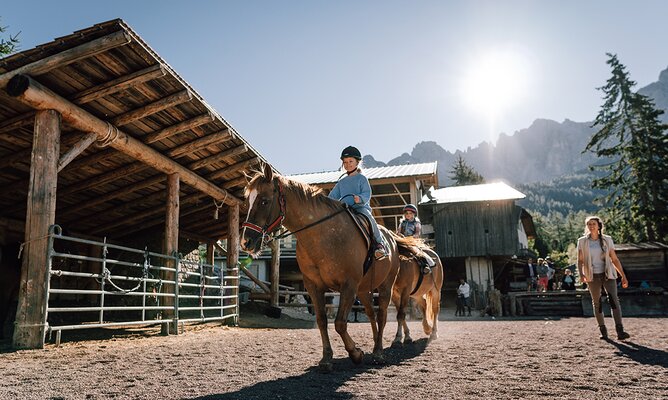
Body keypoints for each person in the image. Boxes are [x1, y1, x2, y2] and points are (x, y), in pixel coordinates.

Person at [328, 146, 387, 260]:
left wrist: (359, 198)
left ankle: (380, 244)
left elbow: (367, 193)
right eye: (345, 162)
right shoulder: (342, 182)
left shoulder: (362, 178)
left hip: (360, 208)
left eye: (350, 161)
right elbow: (332, 196)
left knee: (369, 218)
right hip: (345, 209)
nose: (348, 164)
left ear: (357, 162)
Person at [576, 215, 630, 340]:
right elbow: (580, 260)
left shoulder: (607, 239)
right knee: (597, 303)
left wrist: (623, 276)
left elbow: (614, 259)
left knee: (614, 300)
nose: (591, 226)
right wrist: (581, 274)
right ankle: (603, 331)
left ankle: (620, 331)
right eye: (589, 224)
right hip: (592, 275)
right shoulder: (582, 241)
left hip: (608, 274)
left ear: (599, 225)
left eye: (593, 224)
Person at [396, 203, 434, 274]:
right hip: (402, 240)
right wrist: (399, 235)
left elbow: (417, 233)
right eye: (406, 213)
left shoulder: (416, 223)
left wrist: (410, 238)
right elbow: (398, 232)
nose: (408, 215)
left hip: (412, 241)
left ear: (413, 214)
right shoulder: (402, 223)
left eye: (410, 213)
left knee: (417, 252)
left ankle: (425, 265)